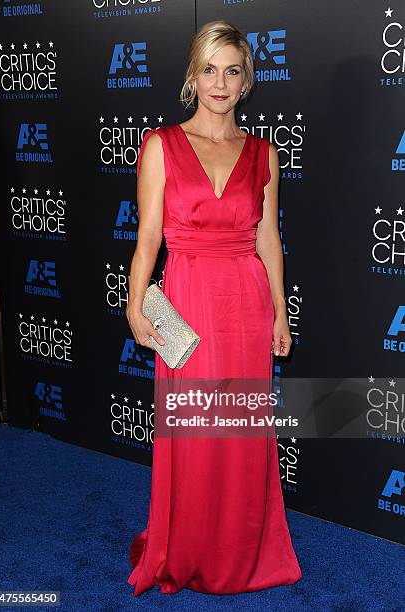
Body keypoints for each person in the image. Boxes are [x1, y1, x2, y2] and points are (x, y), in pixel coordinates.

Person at [126, 19, 302, 596]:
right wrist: (134, 305)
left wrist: (279, 311)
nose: (220, 83)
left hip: (246, 305)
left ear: (246, 81)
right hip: (188, 302)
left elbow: (268, 238)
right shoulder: (161, 144)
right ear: (192, 77)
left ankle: (239, 550)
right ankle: (190, 546)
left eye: (232, 70)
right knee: (196, 432)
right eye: (209, 69)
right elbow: (148, 237)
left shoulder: (263, 153)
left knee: (240, 433)